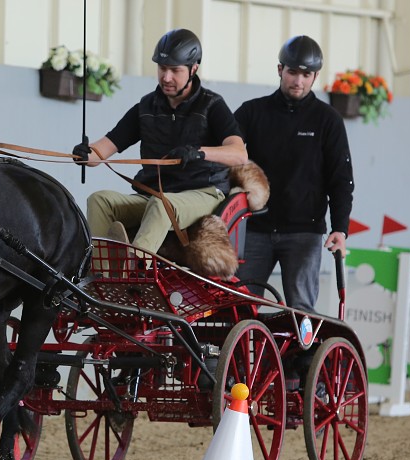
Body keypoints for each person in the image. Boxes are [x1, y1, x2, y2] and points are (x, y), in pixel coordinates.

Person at [73, 28, 248, 257]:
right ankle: (99, 273)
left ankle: (133, 275)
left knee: (161, 205)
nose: (166, 77)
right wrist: (86, 154)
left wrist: (199, 152)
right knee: (100, 200)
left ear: (193, 68)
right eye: (162, 69)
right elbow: (103, 150)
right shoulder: (145, 108)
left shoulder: (212, 105)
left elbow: (239, 154)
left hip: (203, 193)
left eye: (175, 70)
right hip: (154, 193)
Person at [233, 35, 354, 312]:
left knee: (301, 311)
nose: (298, 80)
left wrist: (340, 228)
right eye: (292, 72)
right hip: (255, 228)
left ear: (315, 77)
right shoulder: (252, 112)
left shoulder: (328, 120)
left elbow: (341, 179)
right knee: (237, 307)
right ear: (280, 70)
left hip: (304, 232)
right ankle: (237, 357)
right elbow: (225, 154)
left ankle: (302, 357)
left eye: (306, 74)